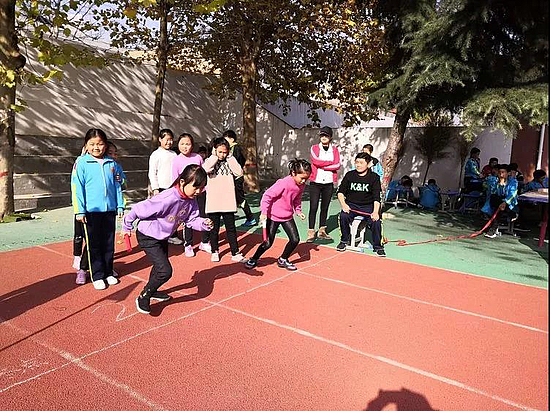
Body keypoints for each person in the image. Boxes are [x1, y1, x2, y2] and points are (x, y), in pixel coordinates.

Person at [122, 165, 213, 314]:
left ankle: (152, 290)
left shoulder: (191, 200)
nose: (198, 191)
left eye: (201, 188)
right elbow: (139, 209)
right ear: (182, 182)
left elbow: (192, 220)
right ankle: (144, 296)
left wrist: (203, 223)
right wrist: (126, 226)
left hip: (162, 236)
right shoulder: (167, 197)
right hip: (148, 235)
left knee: (159, 267)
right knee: (165, 271)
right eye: (196, 187)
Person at [71, 128, 124, 290]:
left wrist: (120, 205)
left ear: (105, 145)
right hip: (90, 211)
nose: (96, 147)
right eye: (92, 144)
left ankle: (108, 272)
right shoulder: (82, 163)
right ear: (86, 145)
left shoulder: (111, 163)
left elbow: (117, 186)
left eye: (100, 144)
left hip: (109, 210)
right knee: (94, 245)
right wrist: (79, 210)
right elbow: (76, 188)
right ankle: (97, 275)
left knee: (108, 243)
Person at [244, 159, 311, 271]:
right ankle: (254, 258)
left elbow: (297, 199)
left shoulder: (301, 185)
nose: (304, 181)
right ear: (293, 173)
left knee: (295, 240)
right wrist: (264, 213)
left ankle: (283, 259)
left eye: (306, 179)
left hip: (287, 217)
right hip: (273, 217)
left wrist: (298, 211)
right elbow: (267, 196)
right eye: (302, 178)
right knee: (267, 243)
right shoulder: (283, 183)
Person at [203, 137, 245, 262]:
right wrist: (214, 156)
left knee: (231, 229)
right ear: (214, 150)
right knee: (214, 229)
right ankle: (214, 250)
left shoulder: (230, 160)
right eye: (220, 152)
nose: (222, 154)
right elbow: (205, 169)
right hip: (213, 201)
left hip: (227, 201)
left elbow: (239, 172)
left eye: (225, 152)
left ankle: (235, 252)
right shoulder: (209, 160)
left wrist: (230, 157)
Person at [336, 152, 385, 257]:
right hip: (352, 205)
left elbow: (377, 198)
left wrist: (375, 212)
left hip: (367, 207)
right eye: (357, 162)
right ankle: (344, 241)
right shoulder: (349, 175)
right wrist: (344, 205)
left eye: (361, 163)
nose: (358, 165)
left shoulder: (374, 177)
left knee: (376, 221)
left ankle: (378, 247)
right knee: (343, 216)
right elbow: (340, 192)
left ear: (368, 164)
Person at [171, 133, 211, 257]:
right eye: (182, 144)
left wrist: (205, 188)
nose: (185, 146)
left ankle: (205, 242)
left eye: (187, 144)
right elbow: (175, 179)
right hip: (186, 195)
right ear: (178, 145)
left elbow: (203, 173)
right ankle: (188, 244)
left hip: (201, 192)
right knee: (187, 219)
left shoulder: (198, 157)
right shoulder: (176, 160)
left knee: (204, 215)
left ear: (192, 145)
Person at [307, 126, 341, 242]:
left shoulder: (335, 150)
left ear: (330, 137)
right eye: (322, 135)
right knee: (313, 207)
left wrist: (323, 166)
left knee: (325, 207)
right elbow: (315, 161)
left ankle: (322, 230)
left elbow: (337, 165)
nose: (324, 137)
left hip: (328, 182)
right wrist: (329, 163)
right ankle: (311, 232)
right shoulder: (314, 148)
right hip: (315, 182)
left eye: (326, 135)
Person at [148, 128, 180, 245]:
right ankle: (159, 234)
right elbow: (152, 172)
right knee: (162, 213)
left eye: (171, 140)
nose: (169, 142)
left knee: (174, 212)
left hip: (173, 188)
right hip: (161, 187)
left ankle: (172, 234)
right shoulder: (156, 154)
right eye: (166, 139)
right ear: (160, 139)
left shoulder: (174, 154)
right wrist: (155, 188)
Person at [223, 130, 256, 226]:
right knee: (231, 198)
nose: (225, 142)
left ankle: (250, 218)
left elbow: (239, 161)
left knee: (240, 199)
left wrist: (236, 170)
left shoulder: (236, 148)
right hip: (231, 178)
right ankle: (229, 217)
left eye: (226, 139)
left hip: (237, 178)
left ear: (232, 139)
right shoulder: (230, 148)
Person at [482, 164, 518, 238]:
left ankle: (493, 229)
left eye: (503, 172)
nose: (501, 174)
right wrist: (499, 185)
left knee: (500, 208)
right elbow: (493, 192)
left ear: (508, 173)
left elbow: (512, 194)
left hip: (509, 203)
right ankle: (493, 228)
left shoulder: (513, 182)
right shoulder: (495, 181)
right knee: (494, 200)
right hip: (498, 202)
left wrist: (505, 202)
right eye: (499, 172)